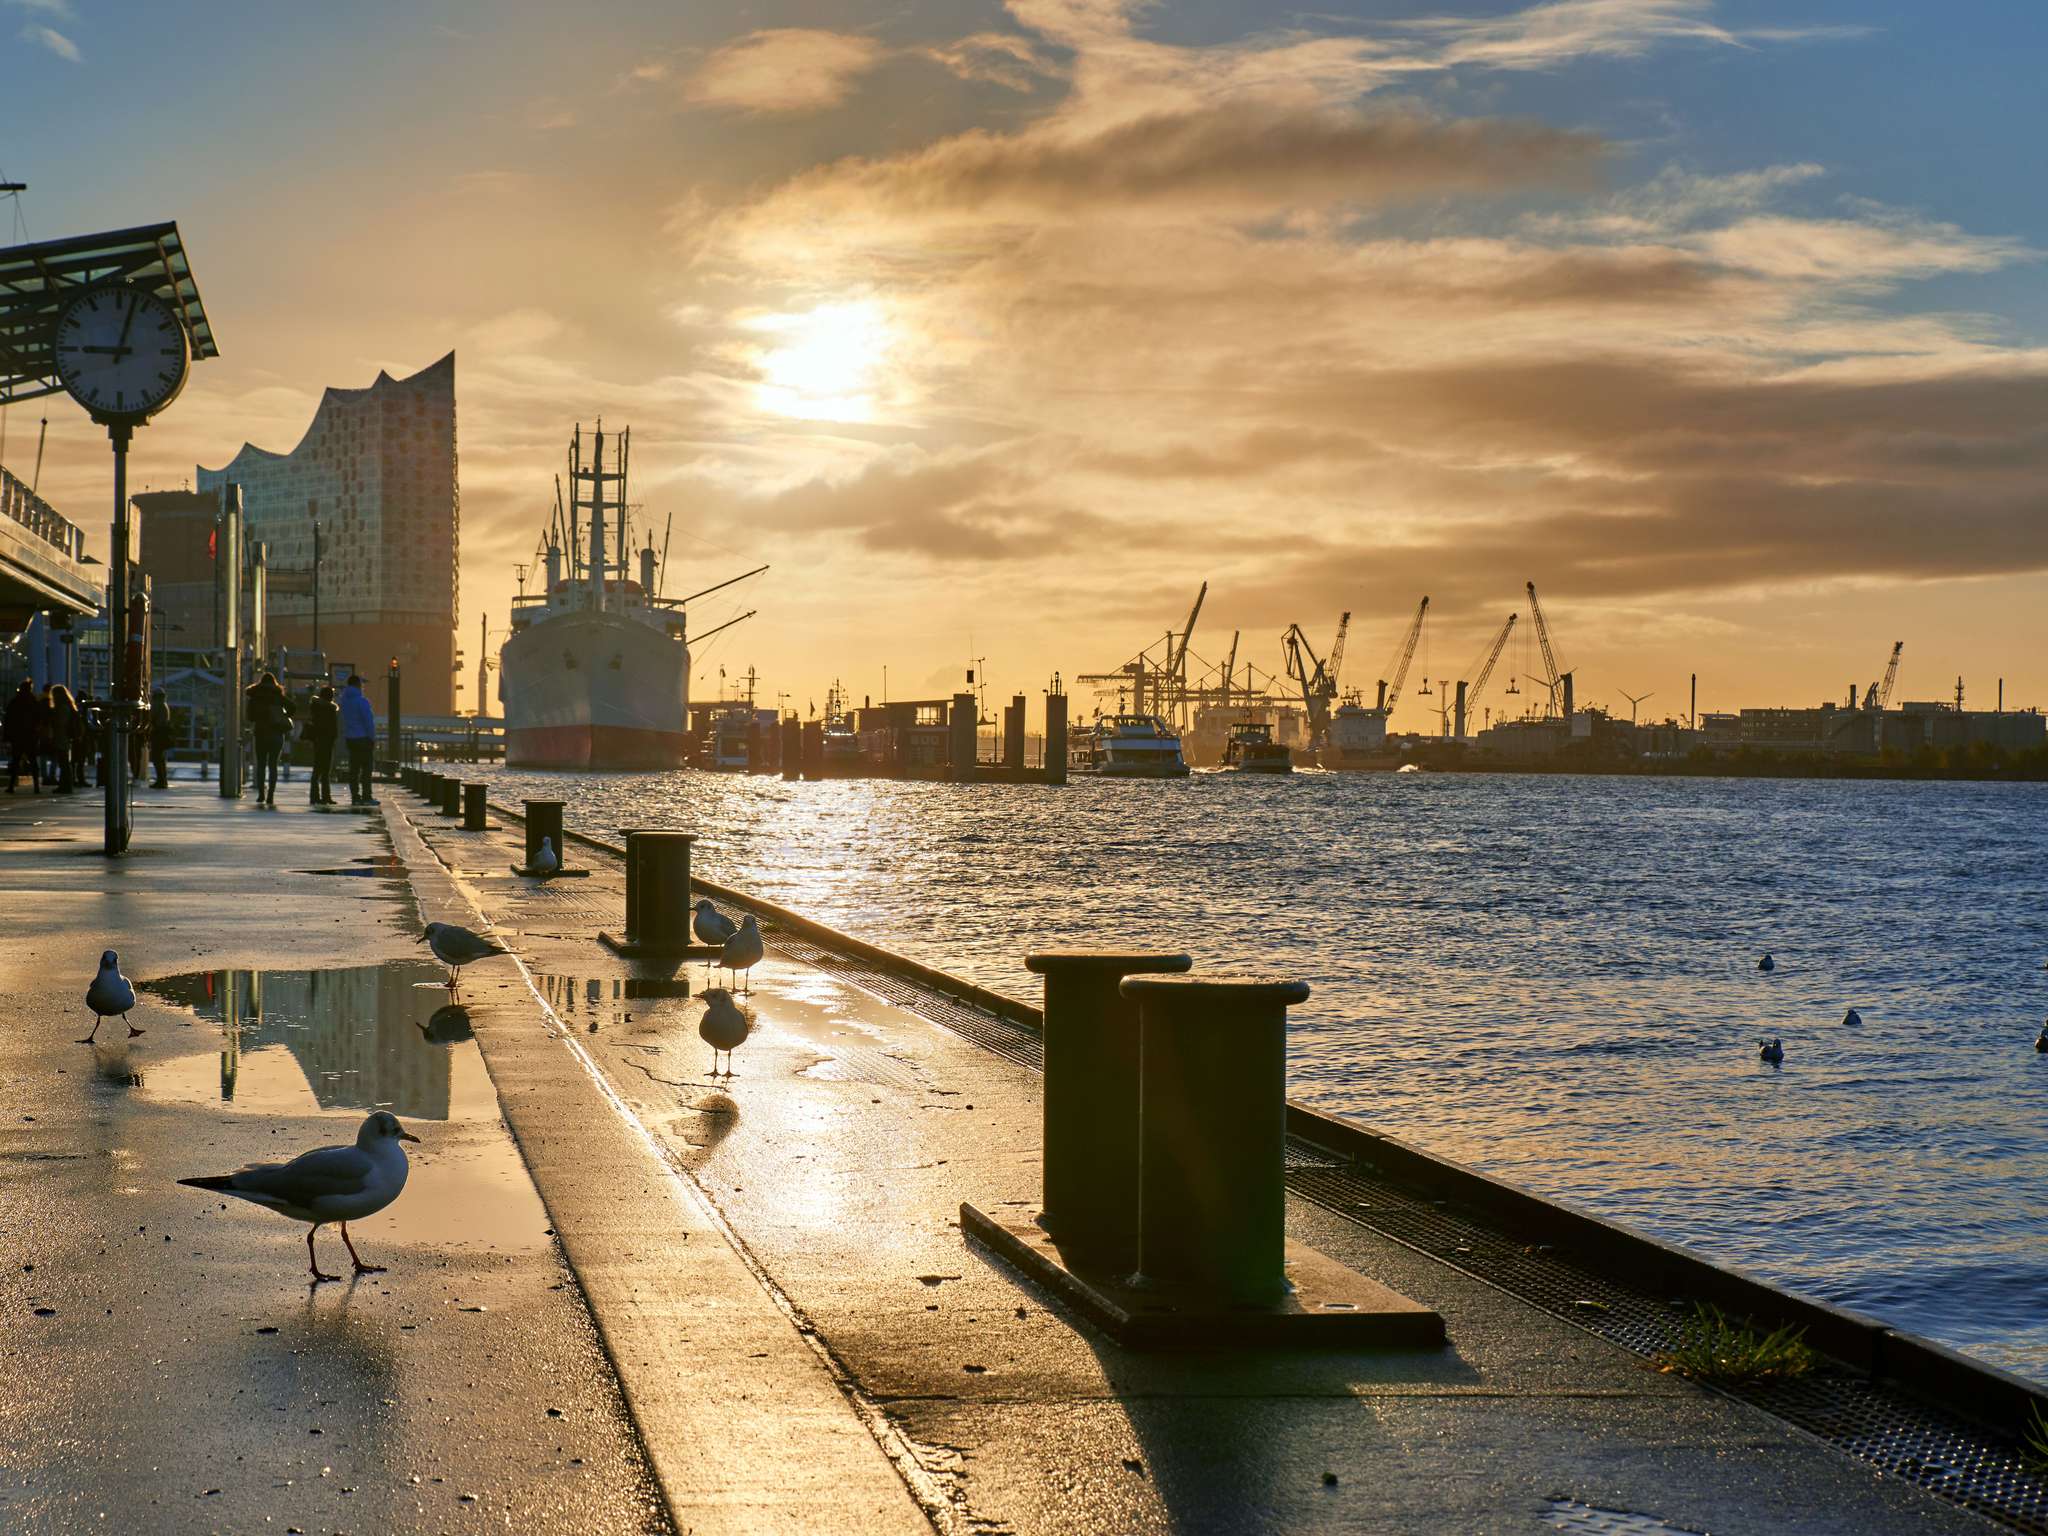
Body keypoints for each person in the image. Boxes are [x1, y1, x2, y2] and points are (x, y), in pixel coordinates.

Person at [244, 670, 295, 806]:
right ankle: (271, 795)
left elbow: (250, 716)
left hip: (260, 733)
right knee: (273, 765)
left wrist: (260, 716)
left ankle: (261, 794)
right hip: (276, 733)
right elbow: (292, 707)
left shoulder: (255, 696)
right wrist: (283, 715)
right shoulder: (277, 696)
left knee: (261, 764)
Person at [339, 673, 377, 806]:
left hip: (350, 738)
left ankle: (355, 796)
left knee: (354, 769)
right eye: (361, 684)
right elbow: (368, 722)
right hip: (363, 738)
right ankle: (367, 796)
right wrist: (372, 738)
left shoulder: (344, 701)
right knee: (366, 768)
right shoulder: (362, 701)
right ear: (357, 685)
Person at [304, 684, 340, 806]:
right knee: (325, 771)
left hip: (317, 741)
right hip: (327, 741)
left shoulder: (315, 707)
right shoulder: (330, 709)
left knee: (317, 770)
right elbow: (332, 728)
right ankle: (326, 796)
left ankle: (314, 796)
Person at [5, 678, 41, 793]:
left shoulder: (15, 701)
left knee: (16, 760)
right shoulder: (34, 701)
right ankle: (36, 786)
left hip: (18, 735)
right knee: (33, 760)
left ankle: (11, 786)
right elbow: (38, 719)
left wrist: (7, 736)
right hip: (31, 735)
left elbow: (9, 719)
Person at [45, 684, 78, 794]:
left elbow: (60, 723)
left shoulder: (62, 707)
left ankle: (65, 785)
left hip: (62, 737)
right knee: (64, 763)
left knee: (63, 762)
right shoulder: (68, 706)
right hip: (65, 737)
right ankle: (65, 785)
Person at [148, 688, 173, 789]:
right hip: (161, 734)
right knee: (160, 759)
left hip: (158, 734)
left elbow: (152, 716)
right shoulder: (164, 705)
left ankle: (161, 780)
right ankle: (162, 780)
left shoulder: (159, 705)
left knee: (157, 758)